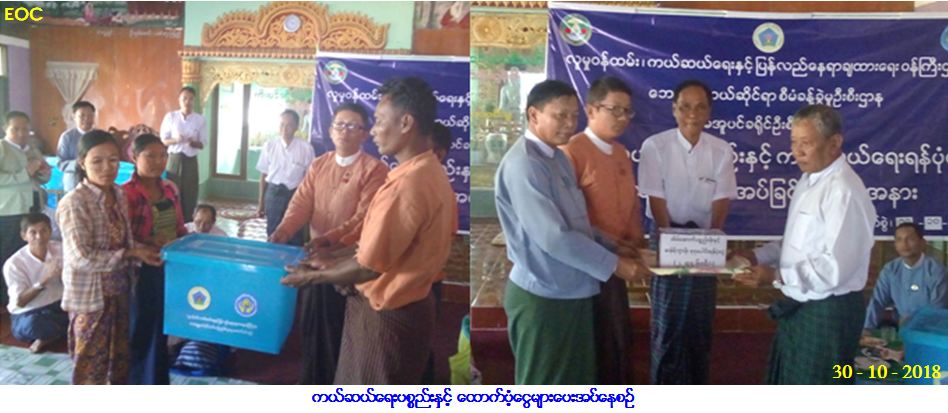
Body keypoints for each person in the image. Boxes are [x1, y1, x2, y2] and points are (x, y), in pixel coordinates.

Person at [281, 77, 454, 385]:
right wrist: (332, 258)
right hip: (405, 303)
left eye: (379, 121)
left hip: (388, 312)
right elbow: (379, 244)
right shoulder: (425, 172)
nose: (374, 131)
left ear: (406, 123)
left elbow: (369, 265)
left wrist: (312, 278)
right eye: (339, 125)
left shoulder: (405, 184)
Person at [493, 80, 646, 385]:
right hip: (543, 295)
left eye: (573, 116)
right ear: (534, 115)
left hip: (573, 289)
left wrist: (613, 246)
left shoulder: (557, 158)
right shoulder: (525, 164)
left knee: (575, 380)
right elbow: (554, 237)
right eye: (559, 115)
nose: (568, 124)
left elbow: (577, 223)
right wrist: (615, 264)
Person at [732, 104, 877, 385]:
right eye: (794, 142)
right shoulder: (809, 180)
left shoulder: (843, 191)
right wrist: (757, 255)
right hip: (802, 306)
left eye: (806, 143)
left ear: (834, 143)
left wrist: (776, 276)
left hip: (829, 312)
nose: (797, 151)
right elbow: (796, 242)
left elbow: (834, 269)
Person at [270, 102, 387, 385]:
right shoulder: (319, 164)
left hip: (349, 264)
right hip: (315, 259)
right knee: (312, 326)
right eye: (339, 125)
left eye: (353, 126)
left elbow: (363, 218)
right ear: (331, 130)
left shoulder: (374, 170)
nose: (344, 131)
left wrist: (331, 240)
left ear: (364, 134)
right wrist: (283, 231)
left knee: (341, 331)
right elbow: (301, 204)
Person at [637, 79, 737, 384]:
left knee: (699, 322)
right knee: (668, 323)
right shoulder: (655, 146)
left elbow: (722, 200)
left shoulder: (720, 150)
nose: (692, 114)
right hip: (666, 235)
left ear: (709, 112)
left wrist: (709, 244)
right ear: (674, 109)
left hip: (705, 239)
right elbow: (656, 199)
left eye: (700, 107)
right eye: (685, 107)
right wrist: (674, 246)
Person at [57, 130, 162, 384]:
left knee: (119, 358)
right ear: (82, 162)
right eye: (97, 161)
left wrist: (143, 251)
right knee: (91, 363)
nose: (107, 168)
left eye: (113, 160)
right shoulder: (75, 203)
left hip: (121, 291)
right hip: (91, 297)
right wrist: (130, 252)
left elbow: (124, 241)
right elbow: (81, 257)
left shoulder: (118, 194)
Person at [560, 76, 646, 385]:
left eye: (627, 111)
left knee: (616, 342)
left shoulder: (621, 152)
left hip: (617, 264)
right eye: (615, 110)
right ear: (591, 110)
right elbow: (569, 218)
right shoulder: (571, 152)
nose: (623, 118)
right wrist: (609, 248)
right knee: (593, 347)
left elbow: (631, 203)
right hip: (587, 266)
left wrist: (636, 242)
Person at [123, 133, 188, 384]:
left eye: (163, 156)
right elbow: (122, 237)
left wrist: (187, 242)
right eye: (150, 156)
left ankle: (157, 380)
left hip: (169, 266)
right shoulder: (126, 194)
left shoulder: (170, 189)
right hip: (141, 269)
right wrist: (149, 241)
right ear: (134, 157)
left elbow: (179, 226)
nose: (158, 162)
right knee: (142, 327)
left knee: (163, 324)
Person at [2, 111, 51, 308]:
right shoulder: (2, 148)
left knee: (30, 251)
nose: (21, 133)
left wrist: (43, 172)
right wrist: (24, 173)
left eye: (25, 129)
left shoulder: (32, 149)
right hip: (9, 211)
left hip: (32, 208)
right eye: (16, 129)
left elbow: (43, 177)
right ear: (5, 129)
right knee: (8, 254)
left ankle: (30, 293)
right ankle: (6, 299)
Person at [863, 223, 947, 332]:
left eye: (910, 239)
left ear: (922, 242)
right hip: (902, 328)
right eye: (899, 240)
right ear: (895, 245)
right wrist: (867, 328)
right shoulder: (890, 270)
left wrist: (912, 322)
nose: (904, 244)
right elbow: (877, 302)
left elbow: (937, 310)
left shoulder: (936, 271)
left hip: (931, 331)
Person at [3, 213, 68, 353]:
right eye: (33, 232)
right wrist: (45, 279)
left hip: (58, 306)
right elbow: (20, 302)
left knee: (86, 312)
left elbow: (71, 282)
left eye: (44, 230)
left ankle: (50, 336)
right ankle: (58, 333)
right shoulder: (14, 264)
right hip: (30, 312)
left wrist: (64, 274)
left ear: (50, 232)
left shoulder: (61, 249)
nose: (39, 236)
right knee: (32, 325)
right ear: (24, 236)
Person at [255, 109, 315, 245]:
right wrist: (261, 203)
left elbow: (310, 180)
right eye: (282, 124)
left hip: (296, 195)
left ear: (296, 127)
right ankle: (273, 257)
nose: (284, 129)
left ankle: (293, 258)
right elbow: (263, 175)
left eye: (289, 125)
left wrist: (309, 204)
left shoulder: (306, 148)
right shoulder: (270, 146)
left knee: (295, 233)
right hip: (273, 194)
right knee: (273, 233)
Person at [160, 86, 207, 223]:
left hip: (190, 159)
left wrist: (193, 143)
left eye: (191, 99)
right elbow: (164, 140)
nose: (187, 102)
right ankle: (172, 220)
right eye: (184, 98)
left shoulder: (200, 119)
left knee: (190, 191)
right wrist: (176, 140)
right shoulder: (171, 117)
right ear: (179, 100)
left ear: (194, 101)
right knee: (172, 190)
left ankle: (188, 221)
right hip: (174, 159)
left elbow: (203, 143)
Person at [57, 101, 96, 193]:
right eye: (82, 116)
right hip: (73, 184)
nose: (86, 119)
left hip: (95, 183)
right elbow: (60, 163)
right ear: (74, 117)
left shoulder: (100, 136)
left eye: (90, 115)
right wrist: (78, 163)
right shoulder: (67, 137)